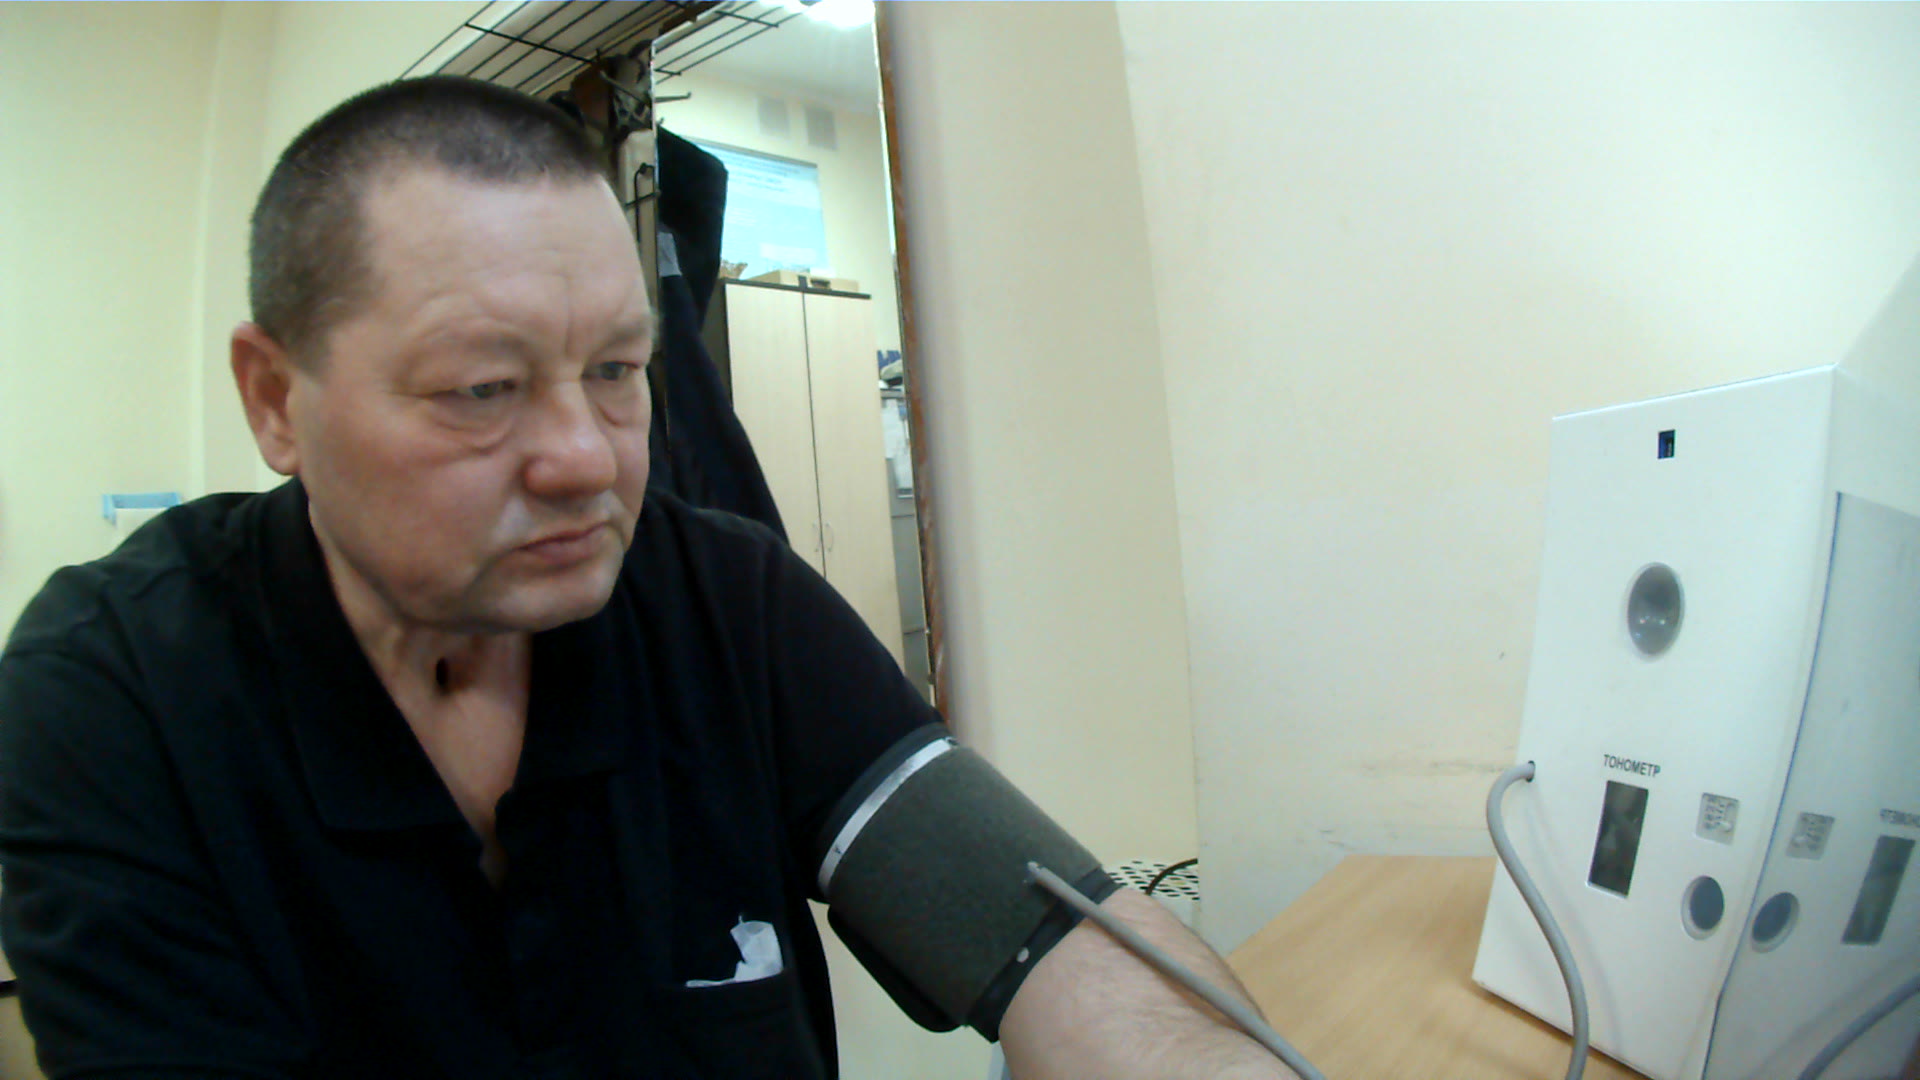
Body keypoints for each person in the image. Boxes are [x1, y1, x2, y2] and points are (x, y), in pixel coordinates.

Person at [0, 76, 1291, 1079]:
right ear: (276, 399)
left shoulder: (727, 600)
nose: (588, 460)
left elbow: (1052, 940)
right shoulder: (112, 696)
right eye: (483, 389)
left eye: (616, 371)